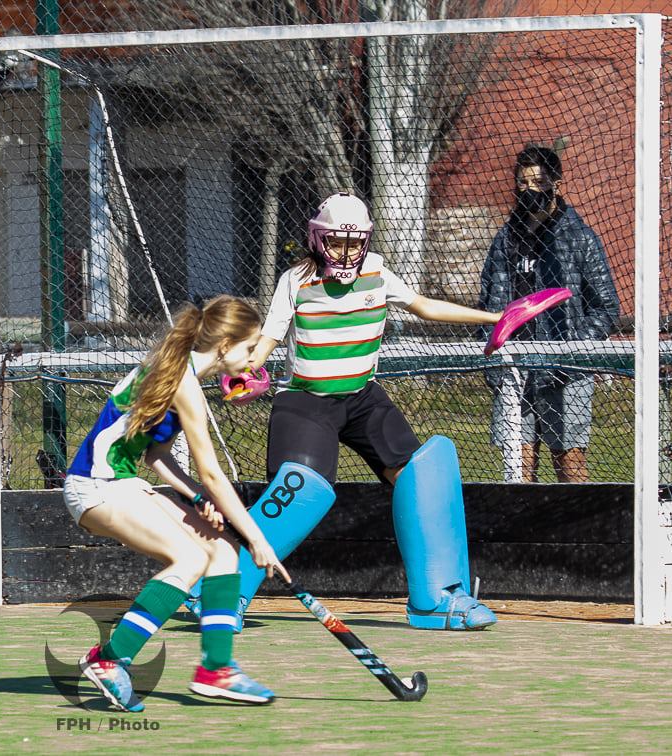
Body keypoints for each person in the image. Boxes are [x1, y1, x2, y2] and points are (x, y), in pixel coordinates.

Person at [191, 192, 506, 632]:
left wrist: (493, 318)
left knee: (423, 474)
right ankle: (219, 591)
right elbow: (268, 341)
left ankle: (437, 600)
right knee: (302, 492)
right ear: (318, 239)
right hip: (306, 402)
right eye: (337, 242)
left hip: (363, 398)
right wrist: (246, 371)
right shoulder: (296, 280)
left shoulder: (377, 271)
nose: (346, 252)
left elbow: (423, 306)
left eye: (355, 243)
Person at [64, 294, 291, 711]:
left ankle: (216, 670)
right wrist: (259, 536)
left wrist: (198, 498)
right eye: (250, 346)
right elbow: (212, 472)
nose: (254, 357)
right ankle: (109, 660)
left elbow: (154, 456)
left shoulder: (179, 373)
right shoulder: (183, 380)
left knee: (222, 550)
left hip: (121, 481)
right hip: (95, 486)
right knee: (188, 559)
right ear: (225, 346)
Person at [478, 145, 619, 482]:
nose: (530, 190)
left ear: (557, 183)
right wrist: (494, 357)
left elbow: (606, 306)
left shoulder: (580, 239)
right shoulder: (505, 241)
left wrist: (572, 351)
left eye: (538, 182)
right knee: (518, 468)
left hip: (566, 373)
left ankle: (578, 534)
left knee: (569, 465)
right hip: (515, 370)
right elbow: (488, 305)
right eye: (522, 184)